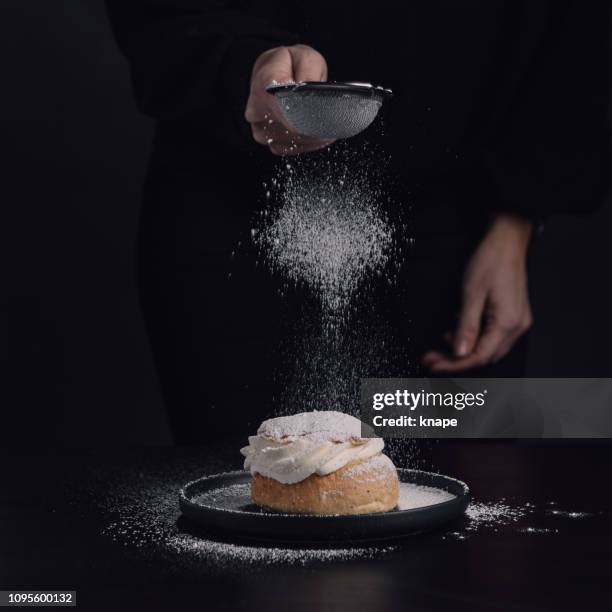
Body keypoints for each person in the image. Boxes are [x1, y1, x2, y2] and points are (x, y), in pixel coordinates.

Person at [106, 2, 611, 442]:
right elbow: (163, 13)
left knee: (462, 506)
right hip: (233, 228)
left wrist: (518, 219)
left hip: (457, 236)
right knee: (256, 493)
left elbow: (582, 32)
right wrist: (245, 65)